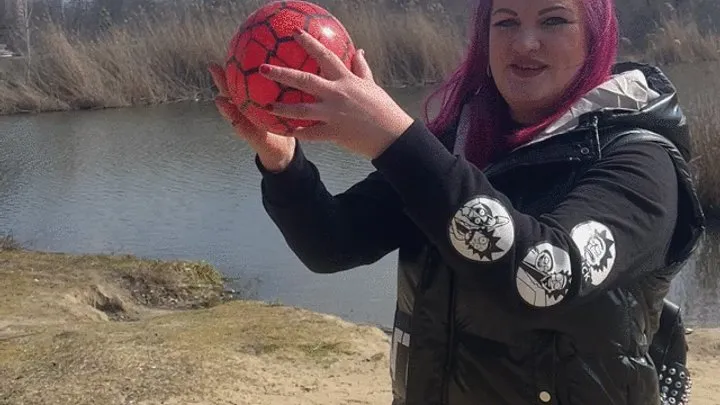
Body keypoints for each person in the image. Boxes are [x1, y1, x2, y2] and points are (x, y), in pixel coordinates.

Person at [208, 0, 706, 403]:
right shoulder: (457, 145)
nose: (525, 42)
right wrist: (283, 164)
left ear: (595, 37)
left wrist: (394, 138)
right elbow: (332, 244)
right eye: (504, 21)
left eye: (553, 20)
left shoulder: (639, 159)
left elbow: (546, 275)